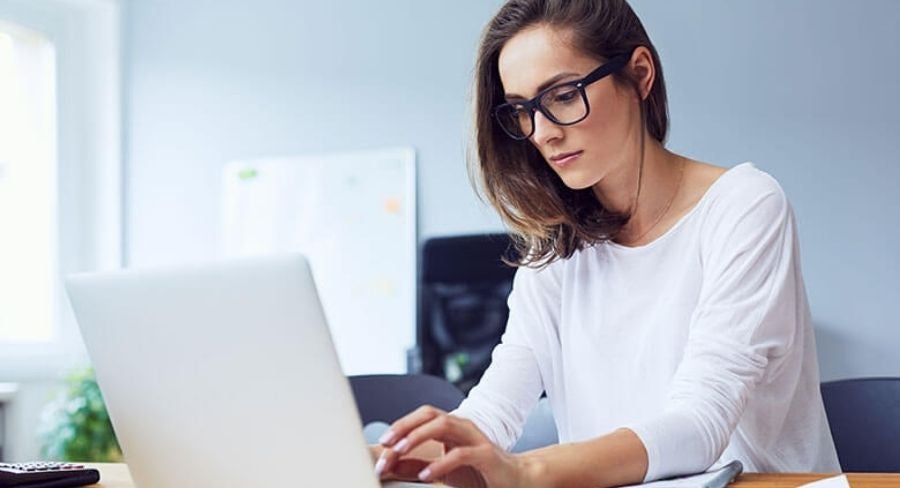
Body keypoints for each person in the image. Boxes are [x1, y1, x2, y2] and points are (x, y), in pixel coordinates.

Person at [374, 0, 840, 486]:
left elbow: (700, 426)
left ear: (639, 75)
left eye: (564, 95)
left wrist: (525, 471)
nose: (544, 133)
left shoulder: (744, 206)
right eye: (521, 111)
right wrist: (369, 458)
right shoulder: (555, 247)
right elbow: (488, 421)